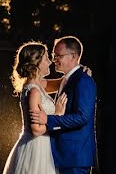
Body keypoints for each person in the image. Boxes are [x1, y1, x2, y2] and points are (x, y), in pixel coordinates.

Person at [29, 36, 97, 174]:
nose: (54, 60)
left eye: (58, 55)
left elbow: (82, 117)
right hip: (61, 155)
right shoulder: (67, 80)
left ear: (73, 57)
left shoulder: (83, 81)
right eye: (53, 56)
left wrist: (49, 119)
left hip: (74, 156)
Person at [1, 42, 67, 174]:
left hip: (44, 145)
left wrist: (79, 71)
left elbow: (62, 82)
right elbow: (36, 130)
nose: (50, 62)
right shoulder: (34, 91)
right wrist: (58, 115)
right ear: (37, 63)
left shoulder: (39, 84)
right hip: (37, 147)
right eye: (46, 58)